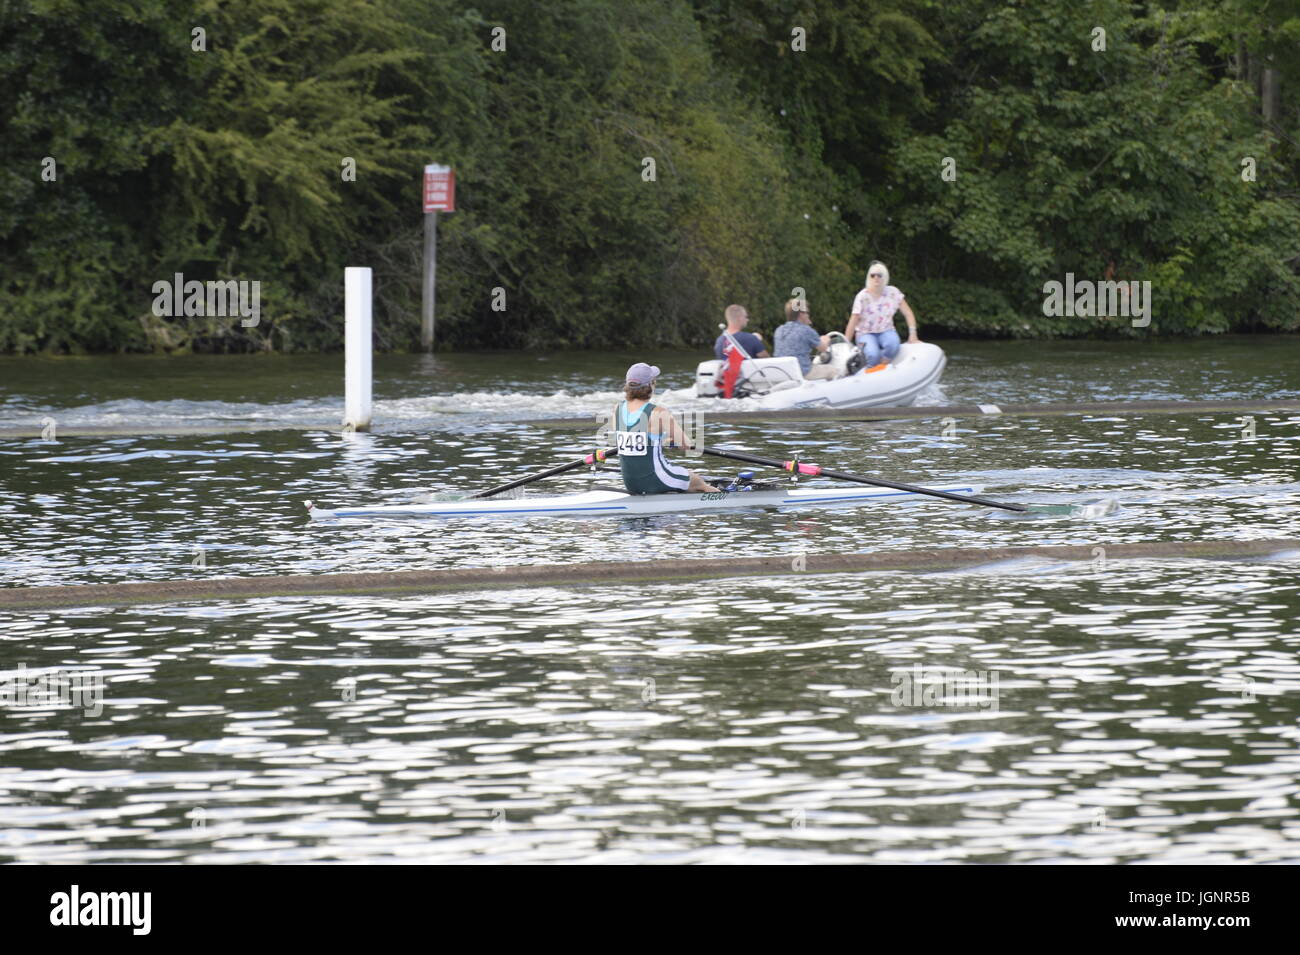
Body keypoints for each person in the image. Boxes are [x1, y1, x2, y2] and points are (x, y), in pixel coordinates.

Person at [612, 363, 718, 494]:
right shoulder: (659, 412)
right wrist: (671, 442)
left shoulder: (617, 409)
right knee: (698, 482)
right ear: (650, 385)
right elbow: (685, 445)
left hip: (631, 483)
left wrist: (661, 440)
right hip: (657, 478)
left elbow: (634, 438)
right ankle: (723, 498)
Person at [844, 261, 920, 369]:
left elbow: (908, 313)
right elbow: (853, 321)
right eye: (873, 275)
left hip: (886, 330)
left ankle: (882, 366)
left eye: (879, 275)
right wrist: (846, 343)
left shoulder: (893, 292)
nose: (876, 278)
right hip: (865, 333)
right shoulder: (862, 296)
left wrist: (913, 334)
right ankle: (868, 370)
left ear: (885, 277)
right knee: (872, 354)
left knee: (893, 345)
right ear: (868, 277)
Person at [773, 297, 835, 380]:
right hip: (802, 373)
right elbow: (824, 348)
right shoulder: (806, 330)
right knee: (834, 371)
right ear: (801, 314)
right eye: (807, 313)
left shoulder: (779, 330)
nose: (808, 315)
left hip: (784, 373)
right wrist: (825, 340)